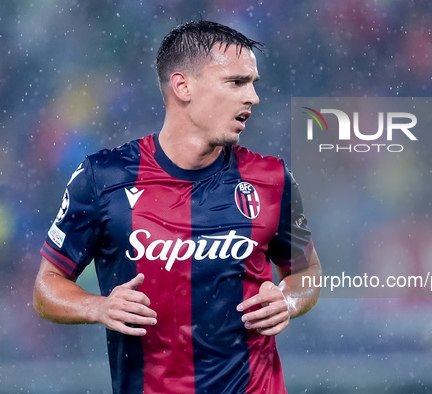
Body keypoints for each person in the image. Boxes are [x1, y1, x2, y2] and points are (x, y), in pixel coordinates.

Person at [33, 20, 322, 394]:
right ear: (183, 86)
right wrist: (98, 308)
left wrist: (288, 299)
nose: (252, 97)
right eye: (236, 82)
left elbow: (307, 271)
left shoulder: (272, 179)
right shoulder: (103, 178)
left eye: (253, 83)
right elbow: (46, 289)